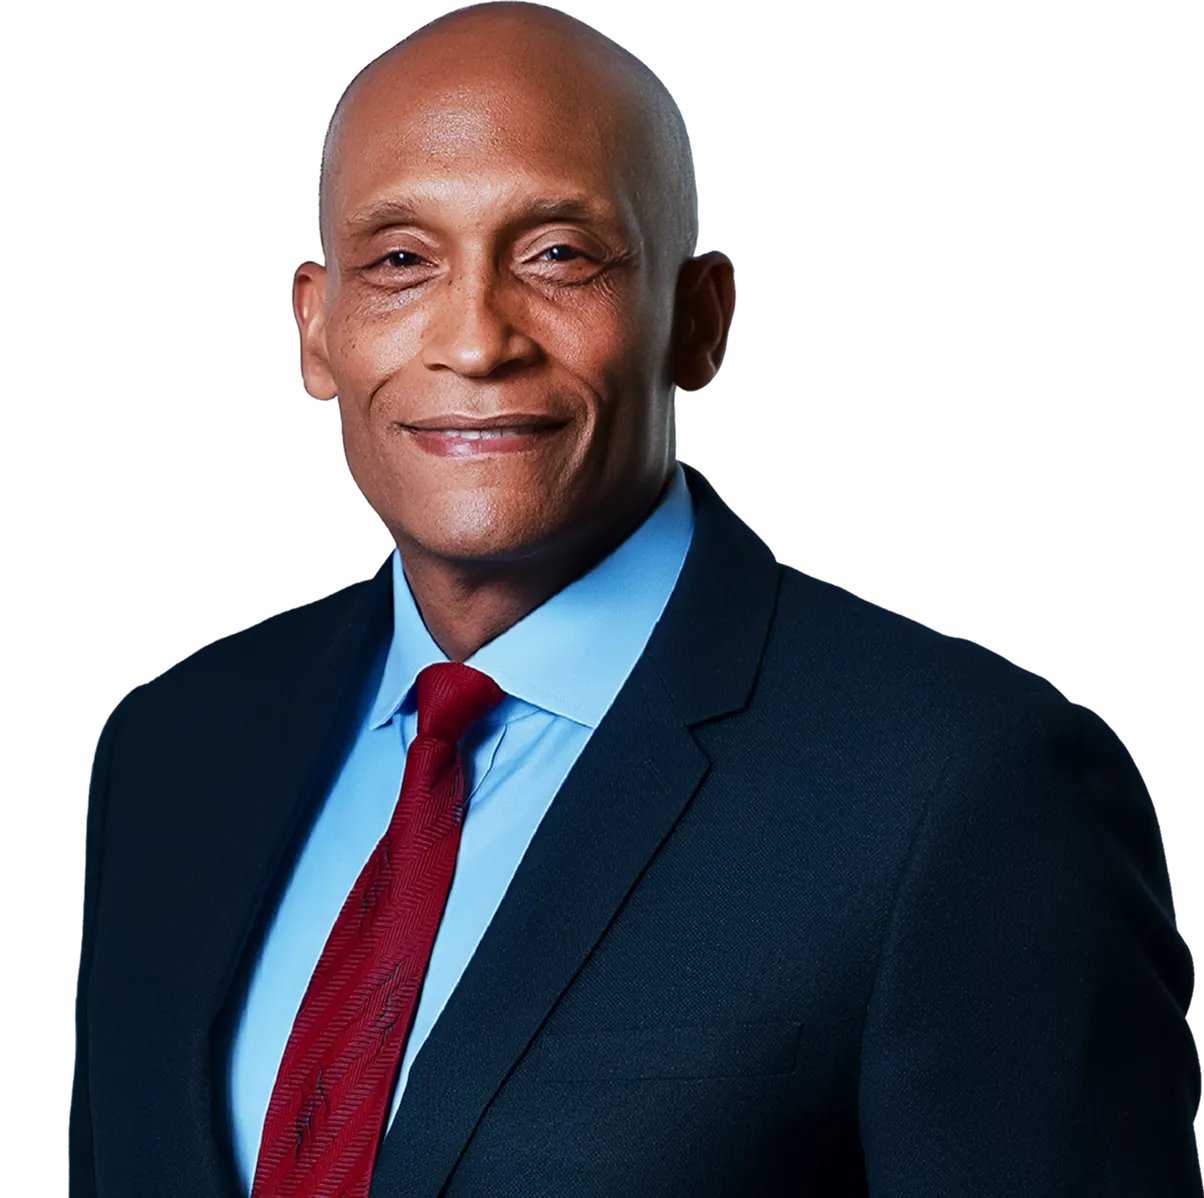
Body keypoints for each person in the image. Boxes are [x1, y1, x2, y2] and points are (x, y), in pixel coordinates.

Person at [68, 3, 1202, 1196]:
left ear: (702, 320)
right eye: (401, 260)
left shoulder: (968, 786)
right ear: (316, 328)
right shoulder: (169, 751)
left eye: (558, 253)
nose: (474, 338)